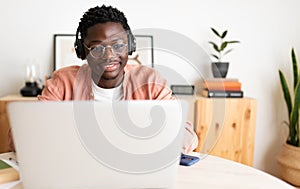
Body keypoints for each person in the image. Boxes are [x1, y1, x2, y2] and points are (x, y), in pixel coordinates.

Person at [37, 5, 198, 153]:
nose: (108, 56)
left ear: (130, 46)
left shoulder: (150, 82)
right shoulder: (63, 82)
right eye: (97, 48)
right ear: (82, 51)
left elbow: (185, 133)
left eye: (118, 45)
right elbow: (26, 133)